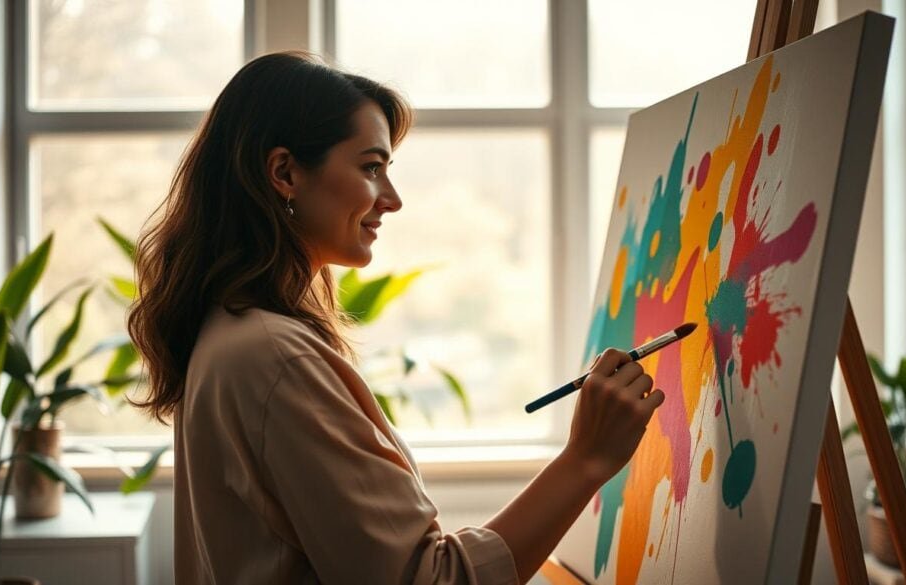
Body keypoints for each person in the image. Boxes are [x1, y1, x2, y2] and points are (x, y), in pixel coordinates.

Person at [127, 50, 666, 585]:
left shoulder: (232, 331)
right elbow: (428, 581)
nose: (393, 199)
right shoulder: (273, 356)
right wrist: (586, 459)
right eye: (371, 168)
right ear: (285, 172)